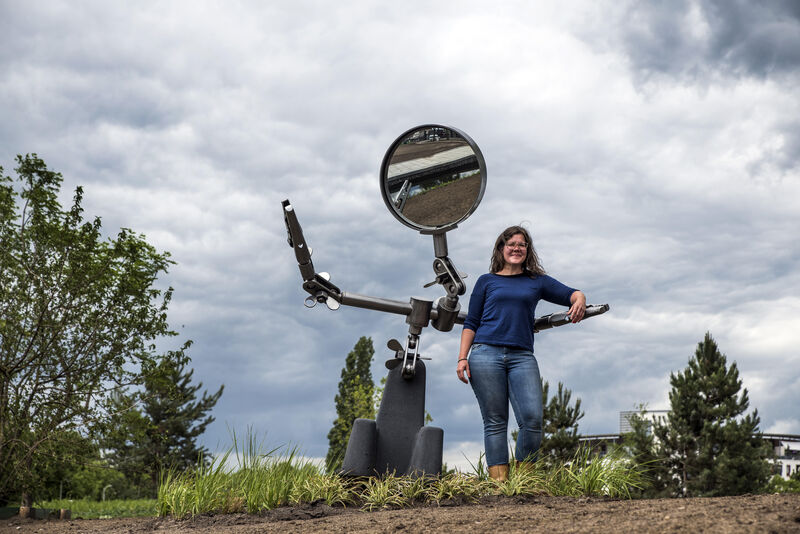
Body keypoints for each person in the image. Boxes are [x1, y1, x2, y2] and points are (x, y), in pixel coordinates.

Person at [456, 225, 586, 482]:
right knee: (495, 421)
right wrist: (462, 358)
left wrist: (579, 298)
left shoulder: (536, 281)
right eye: (511, 244)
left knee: (532, 419)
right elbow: (471, 322)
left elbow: (572, 293)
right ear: (501, 248)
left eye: (521, 245)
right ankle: (500, 485)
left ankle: (524, 481)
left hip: (521, 357)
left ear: (527, 250)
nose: (516, 248)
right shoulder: (486, 281)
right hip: (484, 354)